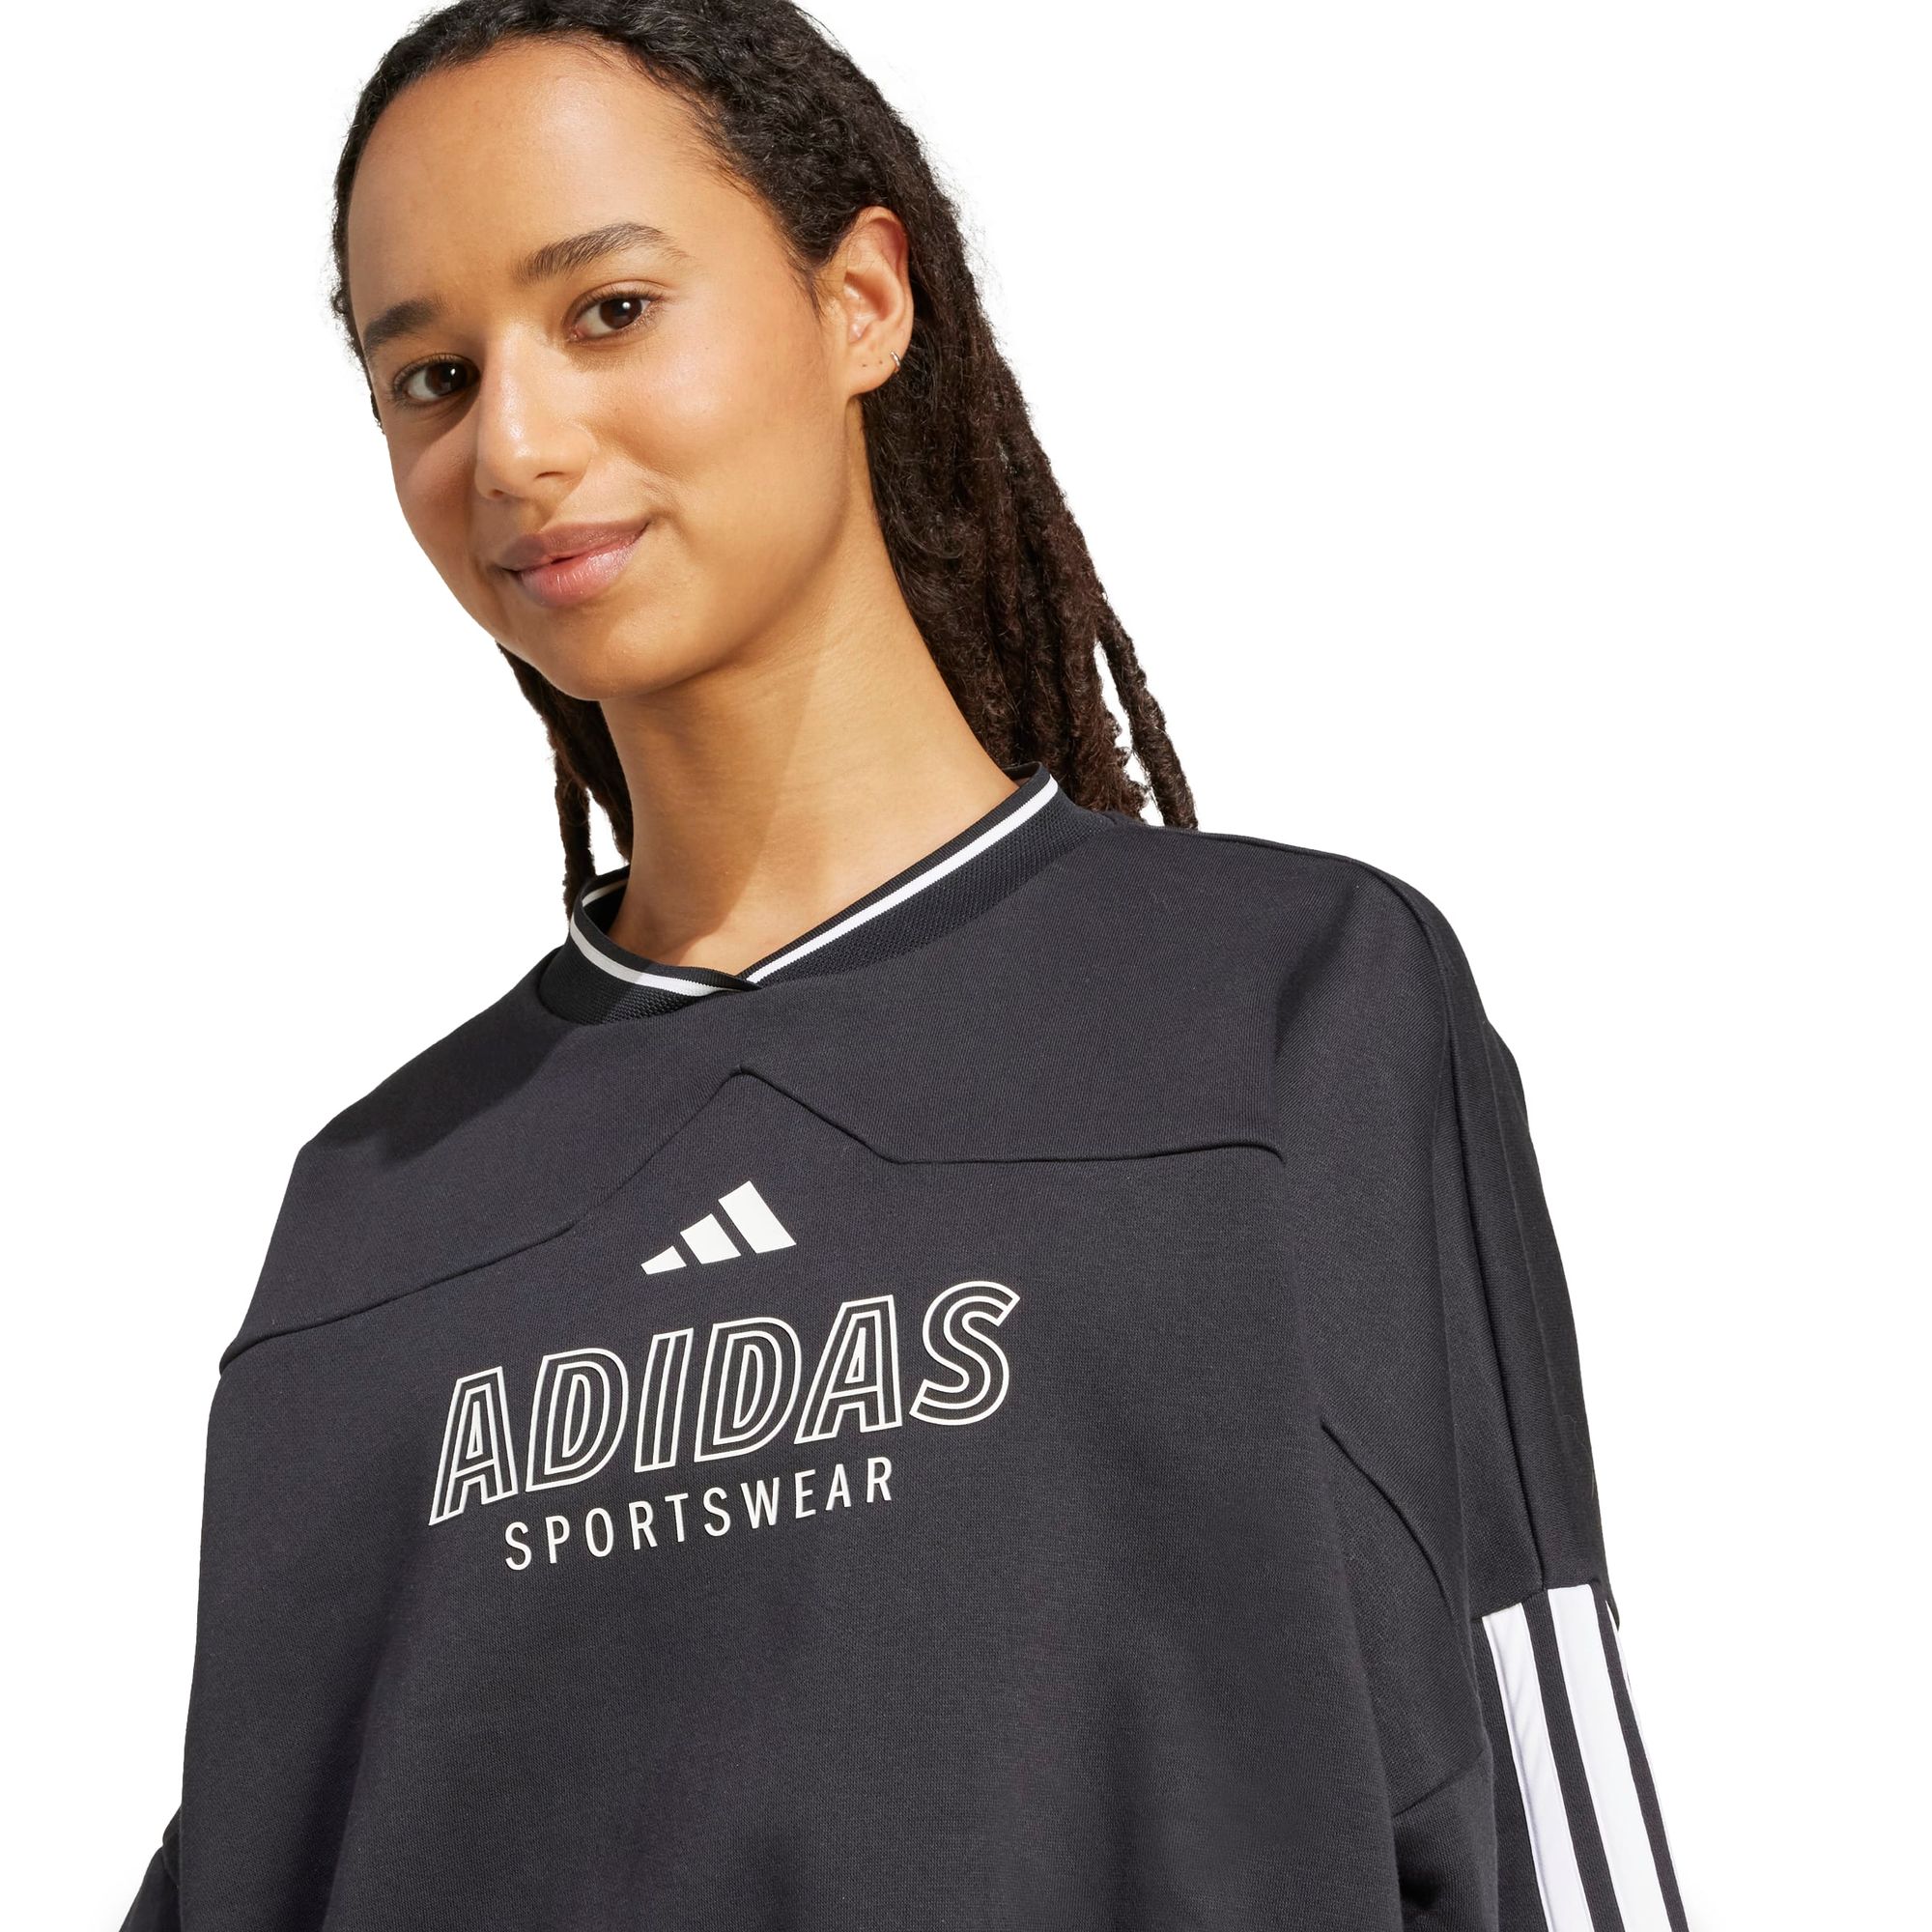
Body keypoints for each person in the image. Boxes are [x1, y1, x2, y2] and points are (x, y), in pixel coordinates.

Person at [120, 3, 1690, 1927]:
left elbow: (1532, 1791)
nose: (513, 445)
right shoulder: (374, 1215)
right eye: (431, 376)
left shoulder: (1276, 1016)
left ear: (859, 300)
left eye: (609, 310)